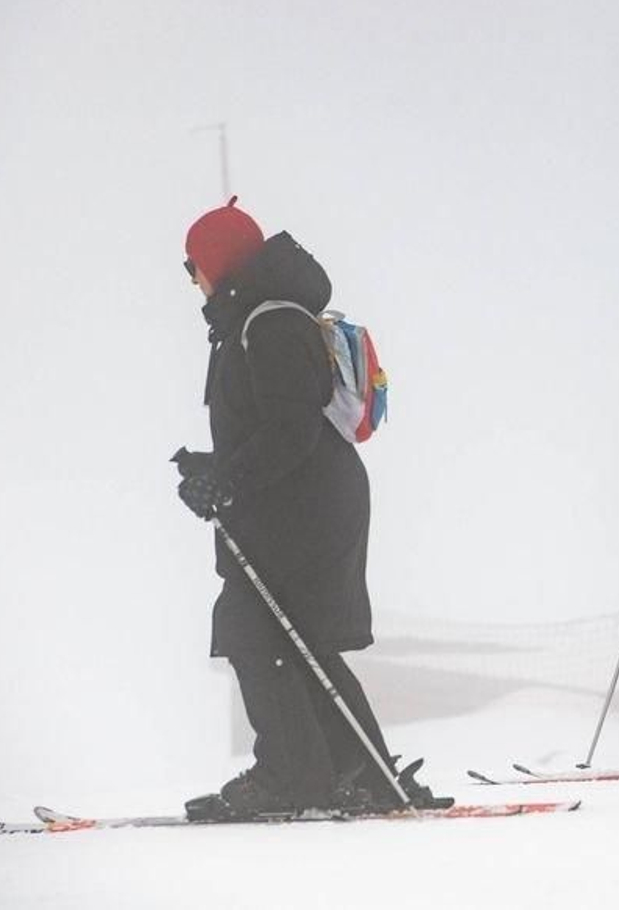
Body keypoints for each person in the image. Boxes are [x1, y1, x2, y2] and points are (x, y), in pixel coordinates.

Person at [173, 197, 446, 819]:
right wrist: (216, 470)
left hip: (305, 506)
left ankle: (295, 777)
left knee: (257, 631)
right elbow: (273, 425)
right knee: (296, 640)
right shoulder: (259, 320)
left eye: (194, 265)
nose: (193, 280)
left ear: (218, 261)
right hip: (302, 500)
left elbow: (292, 426)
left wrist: (228, 477)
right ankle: (360, 773)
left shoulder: (268, 323)